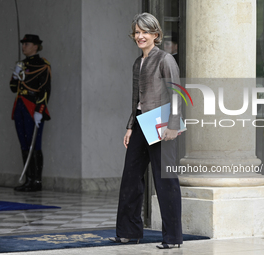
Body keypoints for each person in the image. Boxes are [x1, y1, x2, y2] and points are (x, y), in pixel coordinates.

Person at [109, 13, 183, 249]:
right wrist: (130, 126)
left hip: (162, 124)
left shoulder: (166, 59)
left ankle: (172, 238)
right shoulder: (137, 62)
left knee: (165, 180)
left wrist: (173, 125)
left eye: (145, 32)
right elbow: (136, 99)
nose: (140, 36)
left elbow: (177, 95)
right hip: (141, 123)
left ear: (156, 35)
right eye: (137, 32)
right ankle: (129, 232)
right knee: (130, 178)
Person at [9, 34, 51, 192]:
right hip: (20, 107)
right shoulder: (21, 64)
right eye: (23, 44)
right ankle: (29, 179)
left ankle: (37, 181)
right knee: (24, 145)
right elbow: (14, 88)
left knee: (35, 145)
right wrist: (16, 74)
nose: (24, 46)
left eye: (27, 44)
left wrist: (39, 110)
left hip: (33, 107)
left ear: (36, 46)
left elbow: (45, 90)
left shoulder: (43, 64)